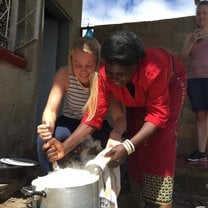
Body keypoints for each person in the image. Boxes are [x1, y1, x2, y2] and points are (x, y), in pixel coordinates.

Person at [44, 30, 186, 208]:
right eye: (111, 73)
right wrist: (64, 148)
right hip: (139, 91)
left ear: (137, 66)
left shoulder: (154, 68)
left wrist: (127, 146)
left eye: (121, 74)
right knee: (135, 134)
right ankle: (138, 195)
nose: (115, 79)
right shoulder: (104, 74)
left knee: (159, 140)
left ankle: (160, 200)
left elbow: (158, 115)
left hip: (169, 86)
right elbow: (94, 116)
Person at [37, 36, 126, 175]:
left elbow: (120, 117)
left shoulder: (105, 80)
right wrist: (47, 125)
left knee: (117, 145)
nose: (83, 71)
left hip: (96, 124)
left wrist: (116, 134)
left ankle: (109, 187)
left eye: (89, 65)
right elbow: (50, 109)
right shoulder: (64, 74)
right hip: (68, 121)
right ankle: (49, 180)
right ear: (71, 61)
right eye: (78, 65)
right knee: (44, 142)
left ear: (97, 62)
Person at [179, 1, 208, 162]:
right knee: (200, 115)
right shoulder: (191, 36)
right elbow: (182, 57)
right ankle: (201, 152)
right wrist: (192, 42)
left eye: (205, 13)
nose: (201, 16)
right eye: (199, 13)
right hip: (194, 79)